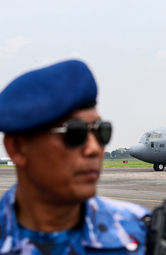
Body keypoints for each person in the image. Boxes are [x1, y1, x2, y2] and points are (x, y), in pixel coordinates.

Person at [0, 60, 150, 254]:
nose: (95, 149)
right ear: (17, 148)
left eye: (101, 132)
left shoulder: (138, 233)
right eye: (75, 134)